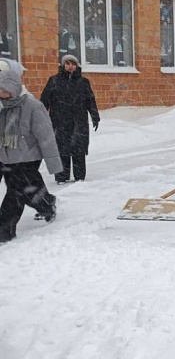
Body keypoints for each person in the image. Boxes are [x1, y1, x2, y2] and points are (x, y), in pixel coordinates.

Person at [0, 70, 62, 243]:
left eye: (5, 90)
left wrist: (54, 163)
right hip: (4, 156)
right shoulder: (1, 107)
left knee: (16, 192)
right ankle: (46, 204)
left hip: (27, 156)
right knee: (25, 190)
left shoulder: (33, 107)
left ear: (14, 88)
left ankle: (4, 231)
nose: (2, 94)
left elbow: (46, 136)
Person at [40, 54, 100, 185]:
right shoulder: (54, 80)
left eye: (73, 63)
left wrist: (95, 116)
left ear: (77, 65)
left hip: (79, 121)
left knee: (79, 149)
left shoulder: (83, 82)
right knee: (61, 149)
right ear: (63, 65)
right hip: (59, 120)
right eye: (67, 63)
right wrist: (39, 116)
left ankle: (79, 176)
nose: (70, 66)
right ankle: (61, 176)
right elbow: (45, 100)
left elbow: (90, 100)